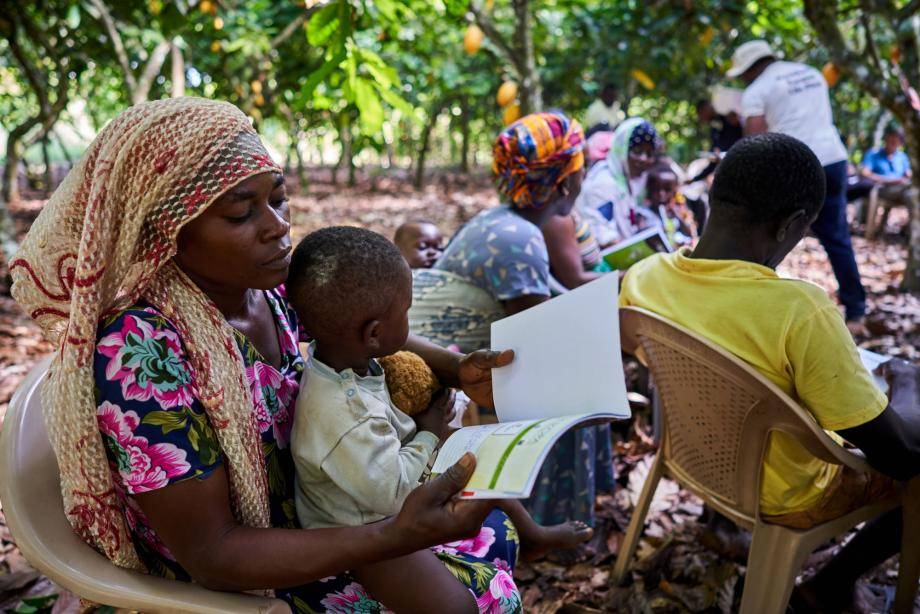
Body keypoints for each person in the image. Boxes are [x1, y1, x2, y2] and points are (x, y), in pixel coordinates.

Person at [9, 97, 525, 613]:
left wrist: (454, 368)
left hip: (324, 515)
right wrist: (393, 536)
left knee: (492, 523)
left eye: (278, 199)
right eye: (241, 212)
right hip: (250, 573)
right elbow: (214, 553)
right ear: (166, 229)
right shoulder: (142, 355)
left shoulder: (266, 292)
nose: (277, 225)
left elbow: (355, 327)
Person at [620, 133, 920, 612]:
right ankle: (830, 584)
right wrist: (905, 385)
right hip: (788, 494)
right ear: (793, 224)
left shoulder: (646, 276)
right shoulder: (799, 311)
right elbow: (897, 455)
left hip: (694, 457)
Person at [286, 225, 592, 611]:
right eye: (407, 310)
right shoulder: (342, 416)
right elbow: (393, 492)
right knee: (454, 607)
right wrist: (431, 434)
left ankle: (533, 535)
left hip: (387, 487)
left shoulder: (348, 359)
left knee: (487, 460)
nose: (410, 319)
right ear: (375, 334)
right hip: (364, 531)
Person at [409, 111, 615, 547]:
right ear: (564, 183)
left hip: (443, 347)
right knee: (579, 394)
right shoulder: (517, 240)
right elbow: (540, 339)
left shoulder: (505, 222)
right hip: (435, 363)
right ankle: (549, 527)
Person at [728, 39, 868, 334]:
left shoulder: (757, 90)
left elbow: (755, 143)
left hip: (796, 166)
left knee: (769, 234)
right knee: (837, 236)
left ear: (750, 69)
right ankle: (856, 312)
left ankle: (756, 308)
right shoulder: (811, 73)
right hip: (833, 159)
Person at [575, 117, 662, 248]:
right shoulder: (604, 183)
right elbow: (604, 237)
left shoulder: (625, 180)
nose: (644, 159)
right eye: (637, 152)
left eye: (649, 154)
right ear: (621, 150)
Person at [860, 126, 918, 225]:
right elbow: (865, 173)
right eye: (890, 140)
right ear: (886, 139)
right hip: (882, 189)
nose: (892, 143)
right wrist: (887, 180)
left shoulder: (902, 157)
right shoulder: (874, 154)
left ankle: (911, 232)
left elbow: (909, 174)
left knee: (911, 195)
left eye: (895, 142)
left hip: (902, 190)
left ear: (900, 143)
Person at [646, 164, 697, 245]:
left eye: (667, 190)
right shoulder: (644, 213)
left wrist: (676, 214)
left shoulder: (679, 209)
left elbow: (691, 234)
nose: (661, 194)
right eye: (656, 189)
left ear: (674, 191)